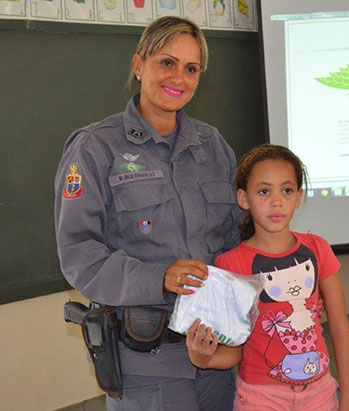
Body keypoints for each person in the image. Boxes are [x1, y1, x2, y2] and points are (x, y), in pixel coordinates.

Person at [54, 16, 242, 410]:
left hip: (215, 355)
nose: (179, 77)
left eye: (191, 69)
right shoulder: (95, 148)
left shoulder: (212, 146)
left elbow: (234, 242)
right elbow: (79, 255)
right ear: (139, 65)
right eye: (167, 63)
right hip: (147, 363)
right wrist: (159, 277)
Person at [186, 144, 349, 410]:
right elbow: (234, 350)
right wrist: (203, 358)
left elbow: (340, 328)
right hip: (260, 398)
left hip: (320, 394)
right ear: (244, 199)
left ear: (299, 196)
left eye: (287, 190)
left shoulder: (317, 248)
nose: (277, 202)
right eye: (264, 191)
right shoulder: (231, 263)